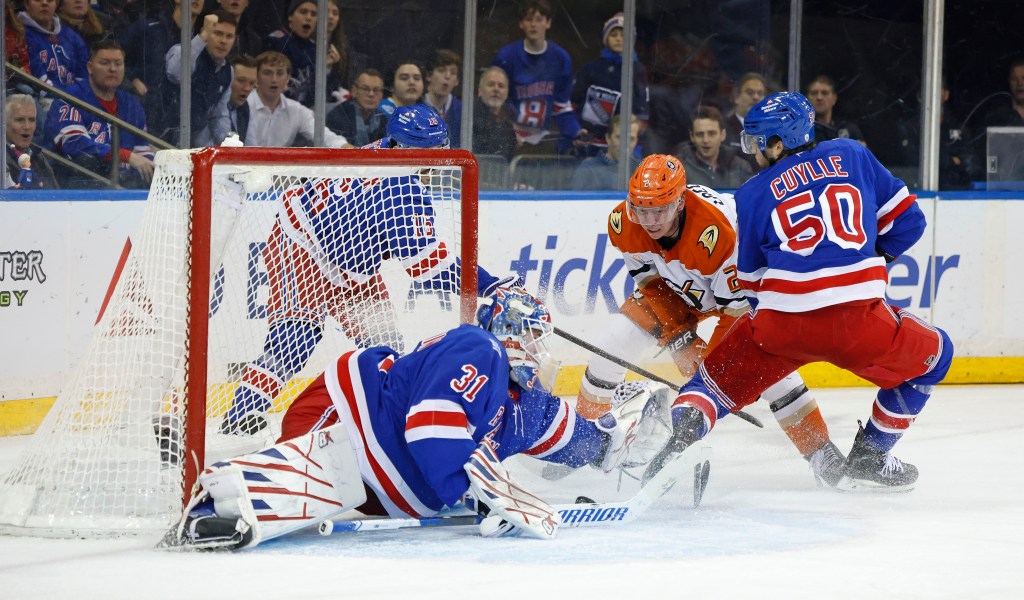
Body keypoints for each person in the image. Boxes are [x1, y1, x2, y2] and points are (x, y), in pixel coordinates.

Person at [172, 287, 677, 548]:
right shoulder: (480, 348)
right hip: (352, 415)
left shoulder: (530, 408)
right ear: (508, 331)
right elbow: (429, 426)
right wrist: (470, 490)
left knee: (347, 486)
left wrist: (620, 439)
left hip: (392, 485)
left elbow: (579, 441)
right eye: (532, 337)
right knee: (332, 468)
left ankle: (239, 491)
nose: (538, 352)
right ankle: (218, 500)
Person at [660, 92, 954, 492]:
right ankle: (872, 454)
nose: (752, 152)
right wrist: (866, 260)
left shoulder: (750, 193)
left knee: (709, 387)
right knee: (937, 356)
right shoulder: (852, 153)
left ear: (778, 143)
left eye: (757, 142)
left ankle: (675, 448)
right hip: (860, 323)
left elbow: (751, 281)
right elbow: (910, 224)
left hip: (781, 326)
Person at [220, 106, 512, 434]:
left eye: (440, 150)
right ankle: (239, 416)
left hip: (353, 262)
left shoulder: (383, 150)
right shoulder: (403, 189)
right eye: (429, 153)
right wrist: (490, 287)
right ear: (404, 149)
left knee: (384, 344)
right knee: (295, 338)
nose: (438, 161)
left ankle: (384, 424)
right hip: (300, 244)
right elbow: (430, 269)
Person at [577, 153, 844, 488]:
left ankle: (823, 454)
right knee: (610, 347)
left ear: (680, 201)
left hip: (749, 288)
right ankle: (580, 441)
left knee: (769, 370)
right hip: (679, 288)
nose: (650, 220)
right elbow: (648, 280)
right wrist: (678, 337)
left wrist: (708, 380)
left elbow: (737, 313)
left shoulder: (717, 232)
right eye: (641, 210)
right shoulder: (624, 223)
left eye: (659, 209)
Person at [43, 39, 155, 188]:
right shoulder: (70, 99)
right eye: (105, 63)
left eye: (118, 63)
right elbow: (75, 144)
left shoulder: (132, 105)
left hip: (121, 185)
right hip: (75, 185)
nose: (113, 69)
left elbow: (142, 153)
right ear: (90, 68)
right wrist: (126, 156)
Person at [492, 0, 586, 154]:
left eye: (539, 19)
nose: (533, 25)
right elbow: (495, 102)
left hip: (543, 139)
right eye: (529, 20)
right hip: (510, 137)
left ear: (548, 23)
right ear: (521, 24)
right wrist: (507, 132)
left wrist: (575, 131)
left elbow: (561, 106)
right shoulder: (506, 56)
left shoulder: (561, 58)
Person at [117, 0, 203, 142]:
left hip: (172, 124)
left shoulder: (200, 42)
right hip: (141, 115)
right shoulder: (149, 28)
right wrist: (132, 79)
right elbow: (114, 55)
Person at [571, 12, 650, 157]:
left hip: (622, 147)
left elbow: (641, 112)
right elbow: (574, 103)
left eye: (623, 35)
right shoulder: (590, 70)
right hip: (590, 144)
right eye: (614, 35)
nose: (619, 39)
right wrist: (577, 130)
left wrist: (635, 144)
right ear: (606, 39)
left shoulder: (638, 70)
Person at [243, 50, 349, 148]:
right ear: (256, 77)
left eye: (280, 73)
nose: (274, 79)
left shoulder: (296, 110)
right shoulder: (244, 104)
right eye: (267, 73)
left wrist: (346, 147)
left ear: (288, 78)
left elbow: (324, 136)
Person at [164, 11, 237, 147]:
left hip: (190, 145)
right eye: (218, 33)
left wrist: (226, 145)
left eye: (229, 36)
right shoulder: (182, 52)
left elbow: (219, 115)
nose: (223, 41)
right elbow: (175, 74)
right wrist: (202, 36)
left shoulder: (228, 71)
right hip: (160, 137)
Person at [673, 105, 753, 189]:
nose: (706, 140)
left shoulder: (740, 167)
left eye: (712, 133)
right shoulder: (678, 170)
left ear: (723, 135)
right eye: (700, 134)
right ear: (692, 136)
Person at [18, 0, 90, 93]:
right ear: (27, 4)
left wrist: (79, 95)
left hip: (76, 99)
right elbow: (38, 78)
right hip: (46, 100)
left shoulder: (72, 36)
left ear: (56, 4)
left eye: (50, 0)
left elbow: (84, 74)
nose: (44, 3)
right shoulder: (21, 35)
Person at [263, 0, 318, 107]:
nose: (308, 18)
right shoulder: (277, 41)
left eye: (314, 14)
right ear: (290, 17)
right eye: (303, 12)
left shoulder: (314, 47)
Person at [569, 114, 640, 190]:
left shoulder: (642, 171)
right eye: (619, 137)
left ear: (636, 141)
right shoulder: (588, 169)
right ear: (608, 138)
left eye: (631, 139)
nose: (624, 144)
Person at [5, 94, 59, 189]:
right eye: (19, 120)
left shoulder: (39, 157)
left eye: (31, 120)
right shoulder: (3, 160)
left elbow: (56, 197)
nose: (27, 126)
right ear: (4, 123)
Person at [325, 68, 388, 147]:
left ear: (381, 95)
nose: (371, 94)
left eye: (376, 90)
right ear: (354, 91)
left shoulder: (383, 119)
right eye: (365, 89)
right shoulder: (338, 116)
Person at [204, 53, 256, 146]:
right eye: (241, 81)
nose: (247, 88)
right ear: (229, 79)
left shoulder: (245, 108)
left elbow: (252, 147)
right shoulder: (212, 107)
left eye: (252, 83)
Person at [723, 72, 768, 171]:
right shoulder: (723, 128)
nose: (756, 97)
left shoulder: (773, 130)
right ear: (736, 97)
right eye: (750, 92)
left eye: (760, 93)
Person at [472, 66, 517, 161]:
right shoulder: (468, 117)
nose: (496, 89)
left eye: (501, 86)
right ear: (480, 90)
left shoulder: (511, 122)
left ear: (507, 92)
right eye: (491, 84)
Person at [806, 75, 866, 145]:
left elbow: (864, 154)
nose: (819, 97)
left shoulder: (848, 129)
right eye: (814, 93)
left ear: (834, 98)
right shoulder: (802, 132)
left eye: (825, 93)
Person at [422, 49, 463, 148]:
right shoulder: (416, 106)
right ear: (429, 76)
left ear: (457, 81)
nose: (447, 76)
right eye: (441, 70)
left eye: (453, 73)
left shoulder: (463, 110)